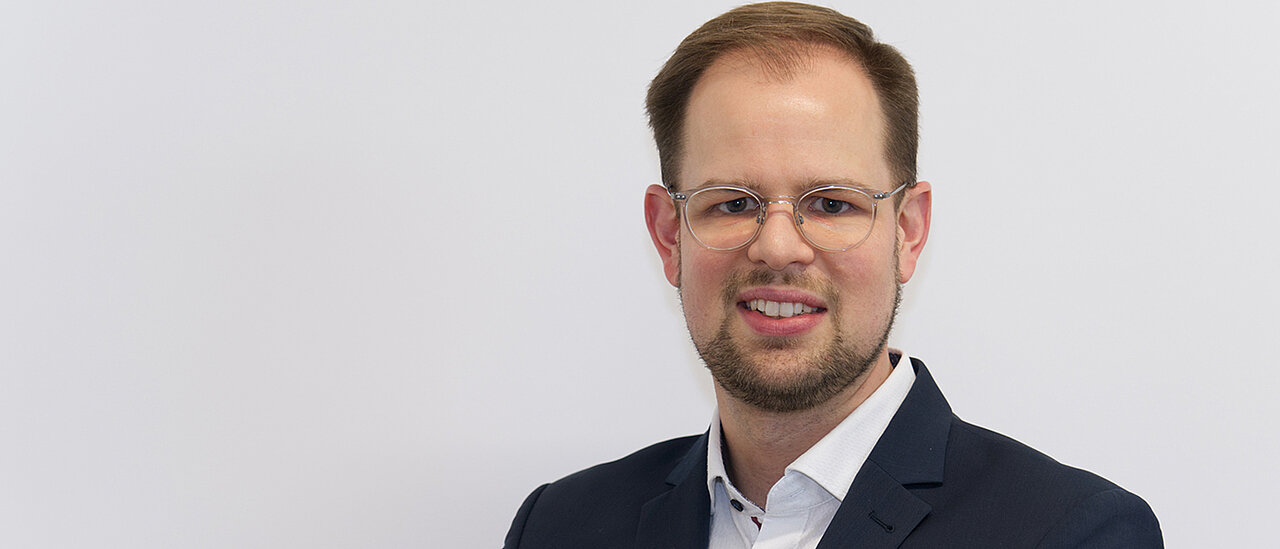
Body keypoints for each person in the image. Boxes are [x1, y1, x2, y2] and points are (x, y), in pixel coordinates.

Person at [504, 2, 1162, 547]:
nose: (778, 247)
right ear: (670, 235)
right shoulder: (559, 527)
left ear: (908, 231)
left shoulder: (1070, 532)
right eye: (732, 203)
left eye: (831, 204)